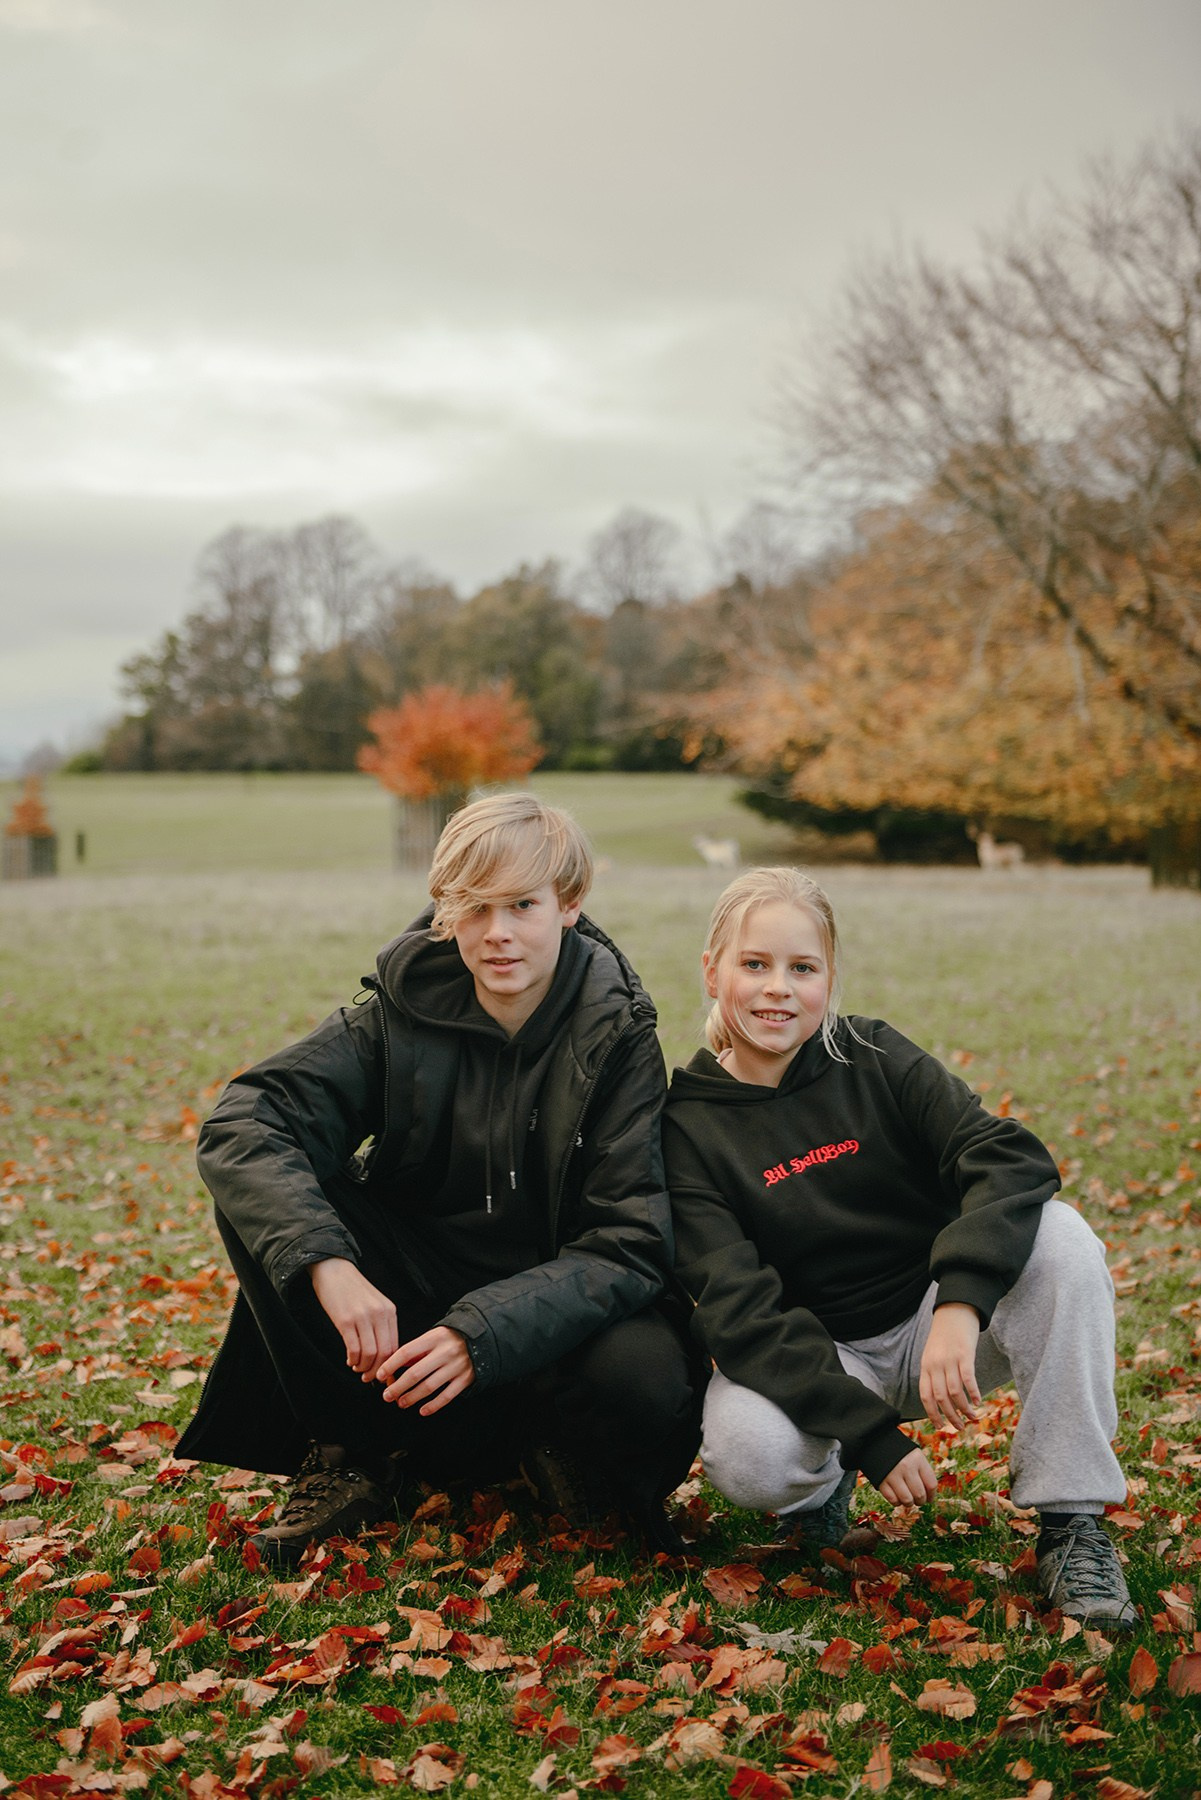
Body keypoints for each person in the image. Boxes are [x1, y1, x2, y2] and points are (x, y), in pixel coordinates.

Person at [176, 793, 700, 1563]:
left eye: (522, 905)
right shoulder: (399, 1009)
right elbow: (249, 1120)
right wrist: (329, 1264)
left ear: (569, 903)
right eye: (474, 906)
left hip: (554, 1317)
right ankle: (353, 1454)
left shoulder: (616, 1033)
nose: (497, 932)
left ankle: (559, 1454)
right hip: (414, 1297)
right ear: (446, 910)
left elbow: (628, 1242)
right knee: (273, 1203)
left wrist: (481, 1331)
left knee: (643, 1371)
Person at [662, 866, 1135, 1630]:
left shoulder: (871, 1055)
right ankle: (820, 1492)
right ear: (712, 972)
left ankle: (1071, 1520)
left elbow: (1006, 1158)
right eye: (754, 964)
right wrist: (869, 1437)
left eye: (802, 967)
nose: (777, 988)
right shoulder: (684, 1126)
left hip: (936, 1331)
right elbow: (737, 1309)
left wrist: (959, 1302)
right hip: (824, 1356)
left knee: (1063, 1239)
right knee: (744, 1449)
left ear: (828, 978)